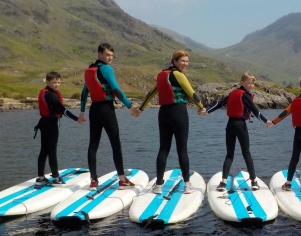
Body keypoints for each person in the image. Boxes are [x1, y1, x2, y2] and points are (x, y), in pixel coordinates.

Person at [140, 50, 206, 194]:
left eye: (187, 61)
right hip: (178, 113)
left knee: (164, 148)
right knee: (182, 149)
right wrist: (201, 107)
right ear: (174, 61)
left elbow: (151, 93)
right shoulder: (178, 75)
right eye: (182, 61)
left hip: (163, 113)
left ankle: (158, 185)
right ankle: (187, 184)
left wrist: (141, 109)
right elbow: (191, 92)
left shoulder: (162, 75)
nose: (185, 64)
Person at [77, 43, 141, 190]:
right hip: (106, 109)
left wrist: (82, 112)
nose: (110, 58)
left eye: (112, 56)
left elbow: (84, 92)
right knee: (115, 143)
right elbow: (116, 90)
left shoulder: (89, 70)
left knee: (93, 144)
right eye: (107, 55)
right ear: (99, 54)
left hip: (94, 110)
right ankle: (122, 180)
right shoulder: (106, 69)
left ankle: (93, 180)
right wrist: (130, 107)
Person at [204, 72, 271, 191]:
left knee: (229, 155)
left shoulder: (233, 93)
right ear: (242, 82)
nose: (251, 85)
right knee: (246, 153)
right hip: (240, 125)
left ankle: (223, 183)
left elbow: (219, 104)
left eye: (252, 84)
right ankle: (254, 181)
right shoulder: (245, 95)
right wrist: (266, 121)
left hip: (230, 125)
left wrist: (207, 111)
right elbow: (255, 111)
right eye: (248, 83)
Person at [34, 71, 79, 185]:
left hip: (43, 123)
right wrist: (76, 118)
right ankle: (56, 178)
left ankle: (40, 177)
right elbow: (62, 109)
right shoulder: (51, 94)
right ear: (48, 82)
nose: (57, 85)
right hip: (50, 124)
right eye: (54, 82)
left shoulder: (47, 93)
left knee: (44, 150)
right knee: (52, 150)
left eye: (59, 82)